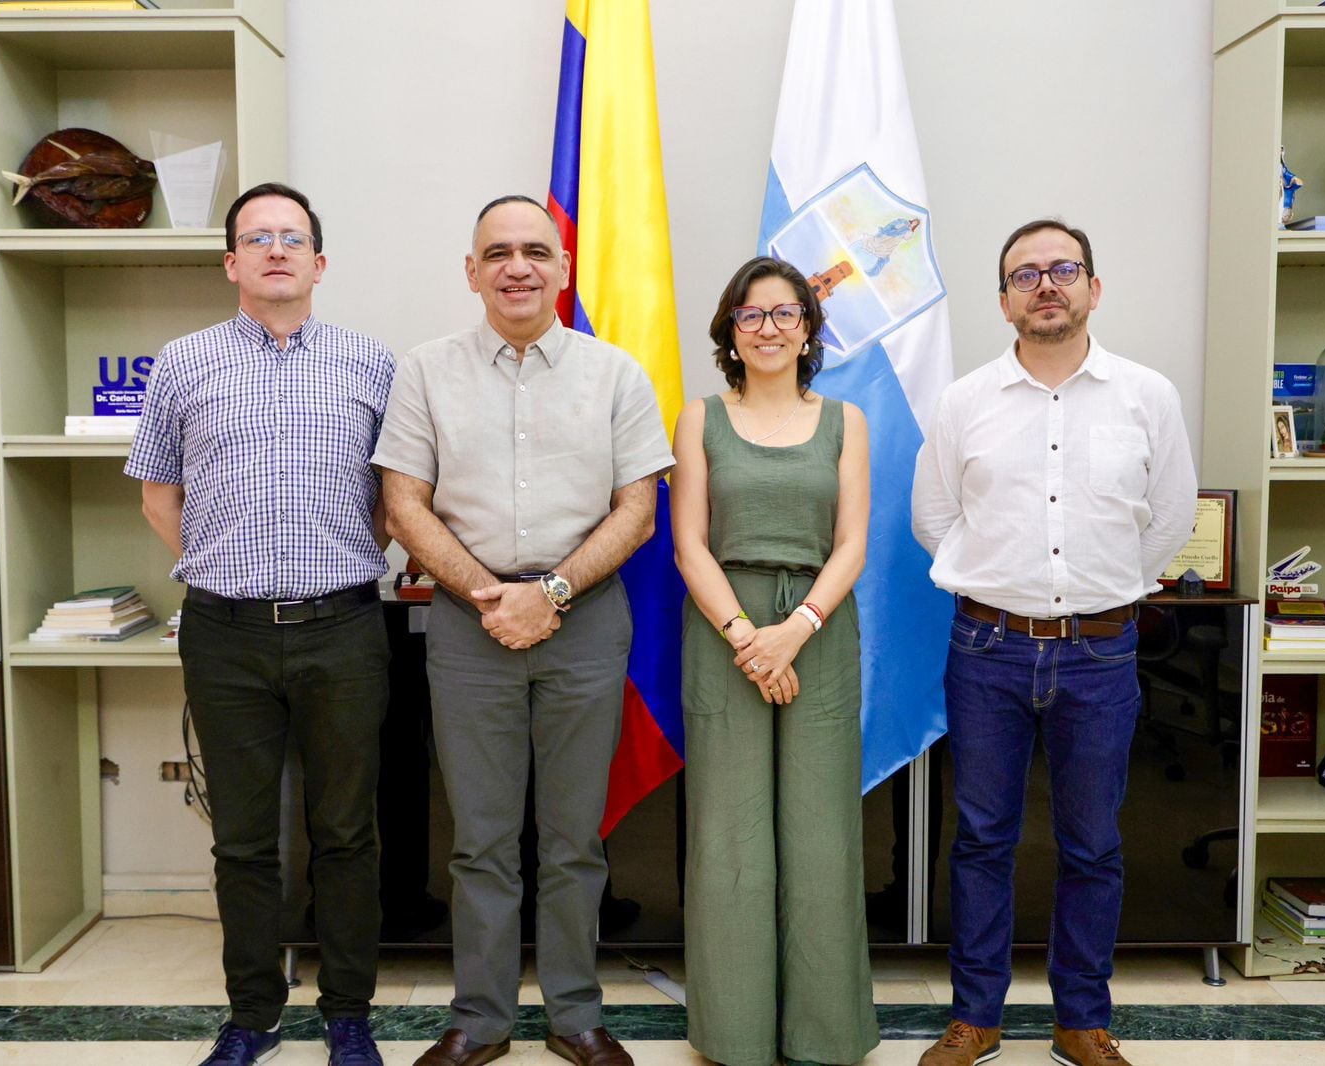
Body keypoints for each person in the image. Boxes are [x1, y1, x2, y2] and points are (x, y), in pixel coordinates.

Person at [375, 194, 673, 1066]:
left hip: (583, 622)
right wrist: (489, 596)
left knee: (576, 839)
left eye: (536, 251)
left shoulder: (614, 373)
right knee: (482, 840)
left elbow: (638, 511)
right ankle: (482, 1020)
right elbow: (403, 504)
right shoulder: (426, 372)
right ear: (471, 272)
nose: (517, 266)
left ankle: (576, 1015)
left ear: (563, 268)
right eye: (497, 252)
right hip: (469, 630)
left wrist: (549, 591)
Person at [911, 219, 1197, 1066]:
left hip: (1101, 654)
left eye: (1063, 269)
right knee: (982, 840)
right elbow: (935, 520)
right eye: (1025, 274)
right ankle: (977, 1017)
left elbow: (1170, 519)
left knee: (1093, 844)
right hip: (988, 649)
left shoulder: (1148, 395)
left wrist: (1095, 600)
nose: (1046, 285)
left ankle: (1082, 1021)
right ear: (1004, 302)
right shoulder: (965, 401)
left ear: (1093, 289)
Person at [126, 182, 394, 1066]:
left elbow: (394, 500)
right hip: (225, 633)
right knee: (242, 838)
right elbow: (160, 494)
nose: (276, 249)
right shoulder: (182, 362)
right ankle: (253, 1017)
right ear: (231, 262)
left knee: (347, 830)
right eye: (257, 237)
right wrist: (223, 564)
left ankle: (348, 1012)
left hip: (344, 628)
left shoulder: (371, 363)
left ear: (320, 262)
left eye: (293, 237)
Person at [671, 255, 877, 1066]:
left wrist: (794, 629)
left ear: (808, 328)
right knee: (730, 837)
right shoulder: (700, 419)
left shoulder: (845, 421)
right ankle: (736, 1036)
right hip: (724, 628)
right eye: (751, 315)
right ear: (730, 329)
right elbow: (689, 542)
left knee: (822, 832)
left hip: (819, 632)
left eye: (784, 314)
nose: (767, 328)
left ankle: (825, 1036)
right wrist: (747, 637)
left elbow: (854, 541)